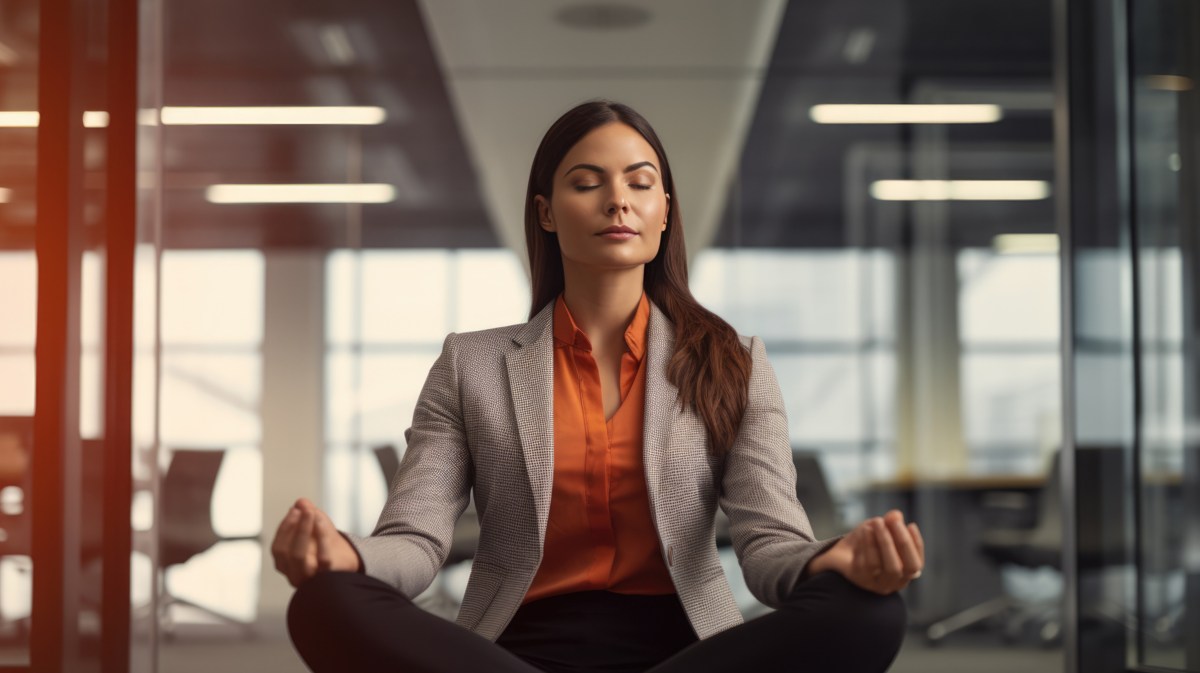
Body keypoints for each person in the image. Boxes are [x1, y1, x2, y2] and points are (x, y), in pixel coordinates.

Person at [274, 100, 924, 673]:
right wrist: (345, 555)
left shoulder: (734, 361)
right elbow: (416, 544)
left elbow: (770, 548)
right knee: (326, 601)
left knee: (869, 613)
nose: (617, 200)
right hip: (512, 646)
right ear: (546, 212)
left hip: (688, 647)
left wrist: (833, 561)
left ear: (664, 210)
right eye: (587, 183)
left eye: (640, 184)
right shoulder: (469, 364)